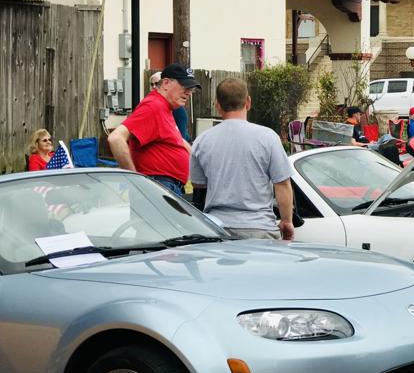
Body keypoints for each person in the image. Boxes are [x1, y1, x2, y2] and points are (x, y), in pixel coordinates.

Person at [190, 77, 294, 240]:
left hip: (217, 228)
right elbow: (282, 184)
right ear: (248, 102)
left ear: (217, 105)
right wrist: (287, 221)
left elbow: (198, 185)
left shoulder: (201, 140)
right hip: (259, 228)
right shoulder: (268, 137)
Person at [108, 62, 198, 196]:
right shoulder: (153, 106)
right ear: (166, 83)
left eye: (191, 89)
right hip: (158, 186)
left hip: (165, 186)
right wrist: (135, 180)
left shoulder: (165, 108)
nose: (189, 92)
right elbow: (115, 138)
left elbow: (180, 142)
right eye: (184, 86)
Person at [151, 71, 192, 143]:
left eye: (157, 83)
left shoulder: (177, 108)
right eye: (152, 84)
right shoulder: (150, 105)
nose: (154, 86)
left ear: (165, 84)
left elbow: (181, 138)